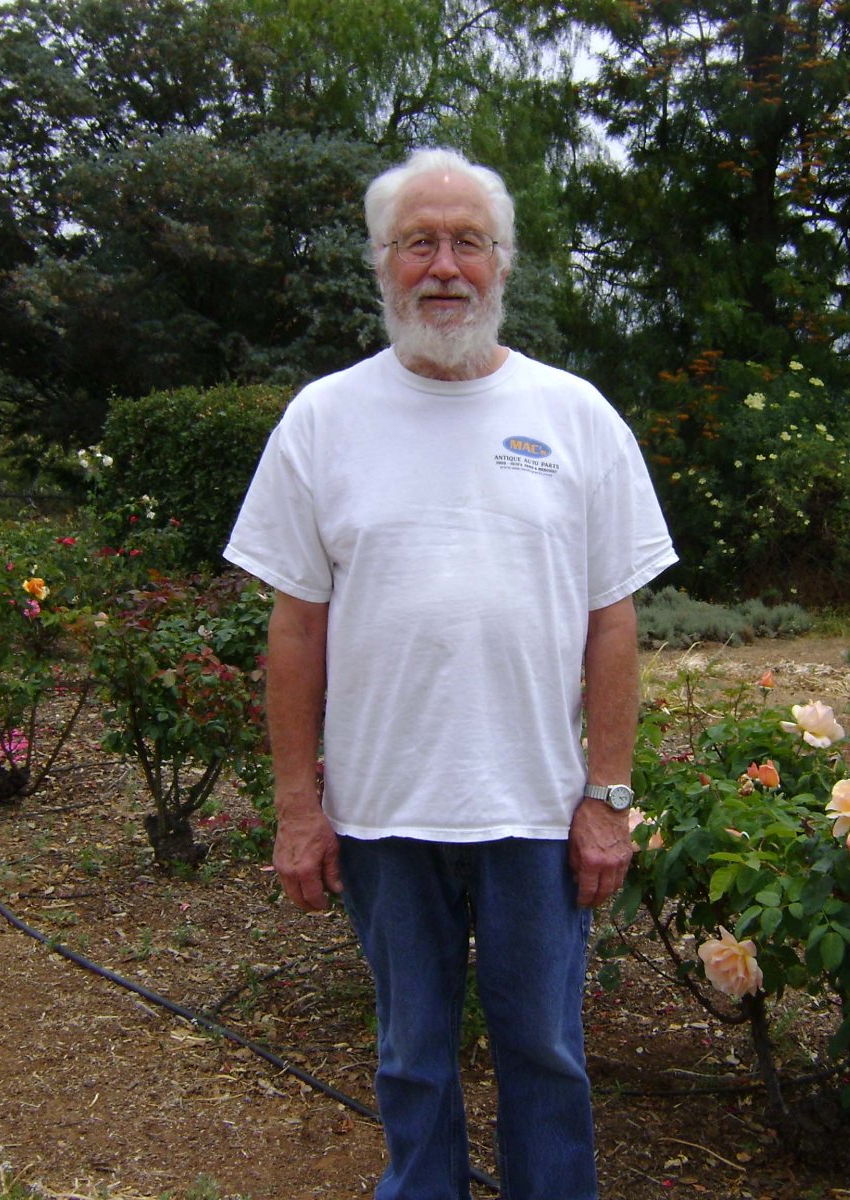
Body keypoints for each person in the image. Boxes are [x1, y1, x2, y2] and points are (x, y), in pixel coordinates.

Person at [223, 147, 676, 1200]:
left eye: (468, 241)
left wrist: (608, 798)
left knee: (546, 1055)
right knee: (411, 1058)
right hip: (383, 813)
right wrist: (298, 811)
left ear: (502, 262)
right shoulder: (323, 418)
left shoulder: (575, 414)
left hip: (536, 811)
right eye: (417, 242)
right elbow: (295, 629)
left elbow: (613, 621)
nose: (443, 266)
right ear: (381, 263)